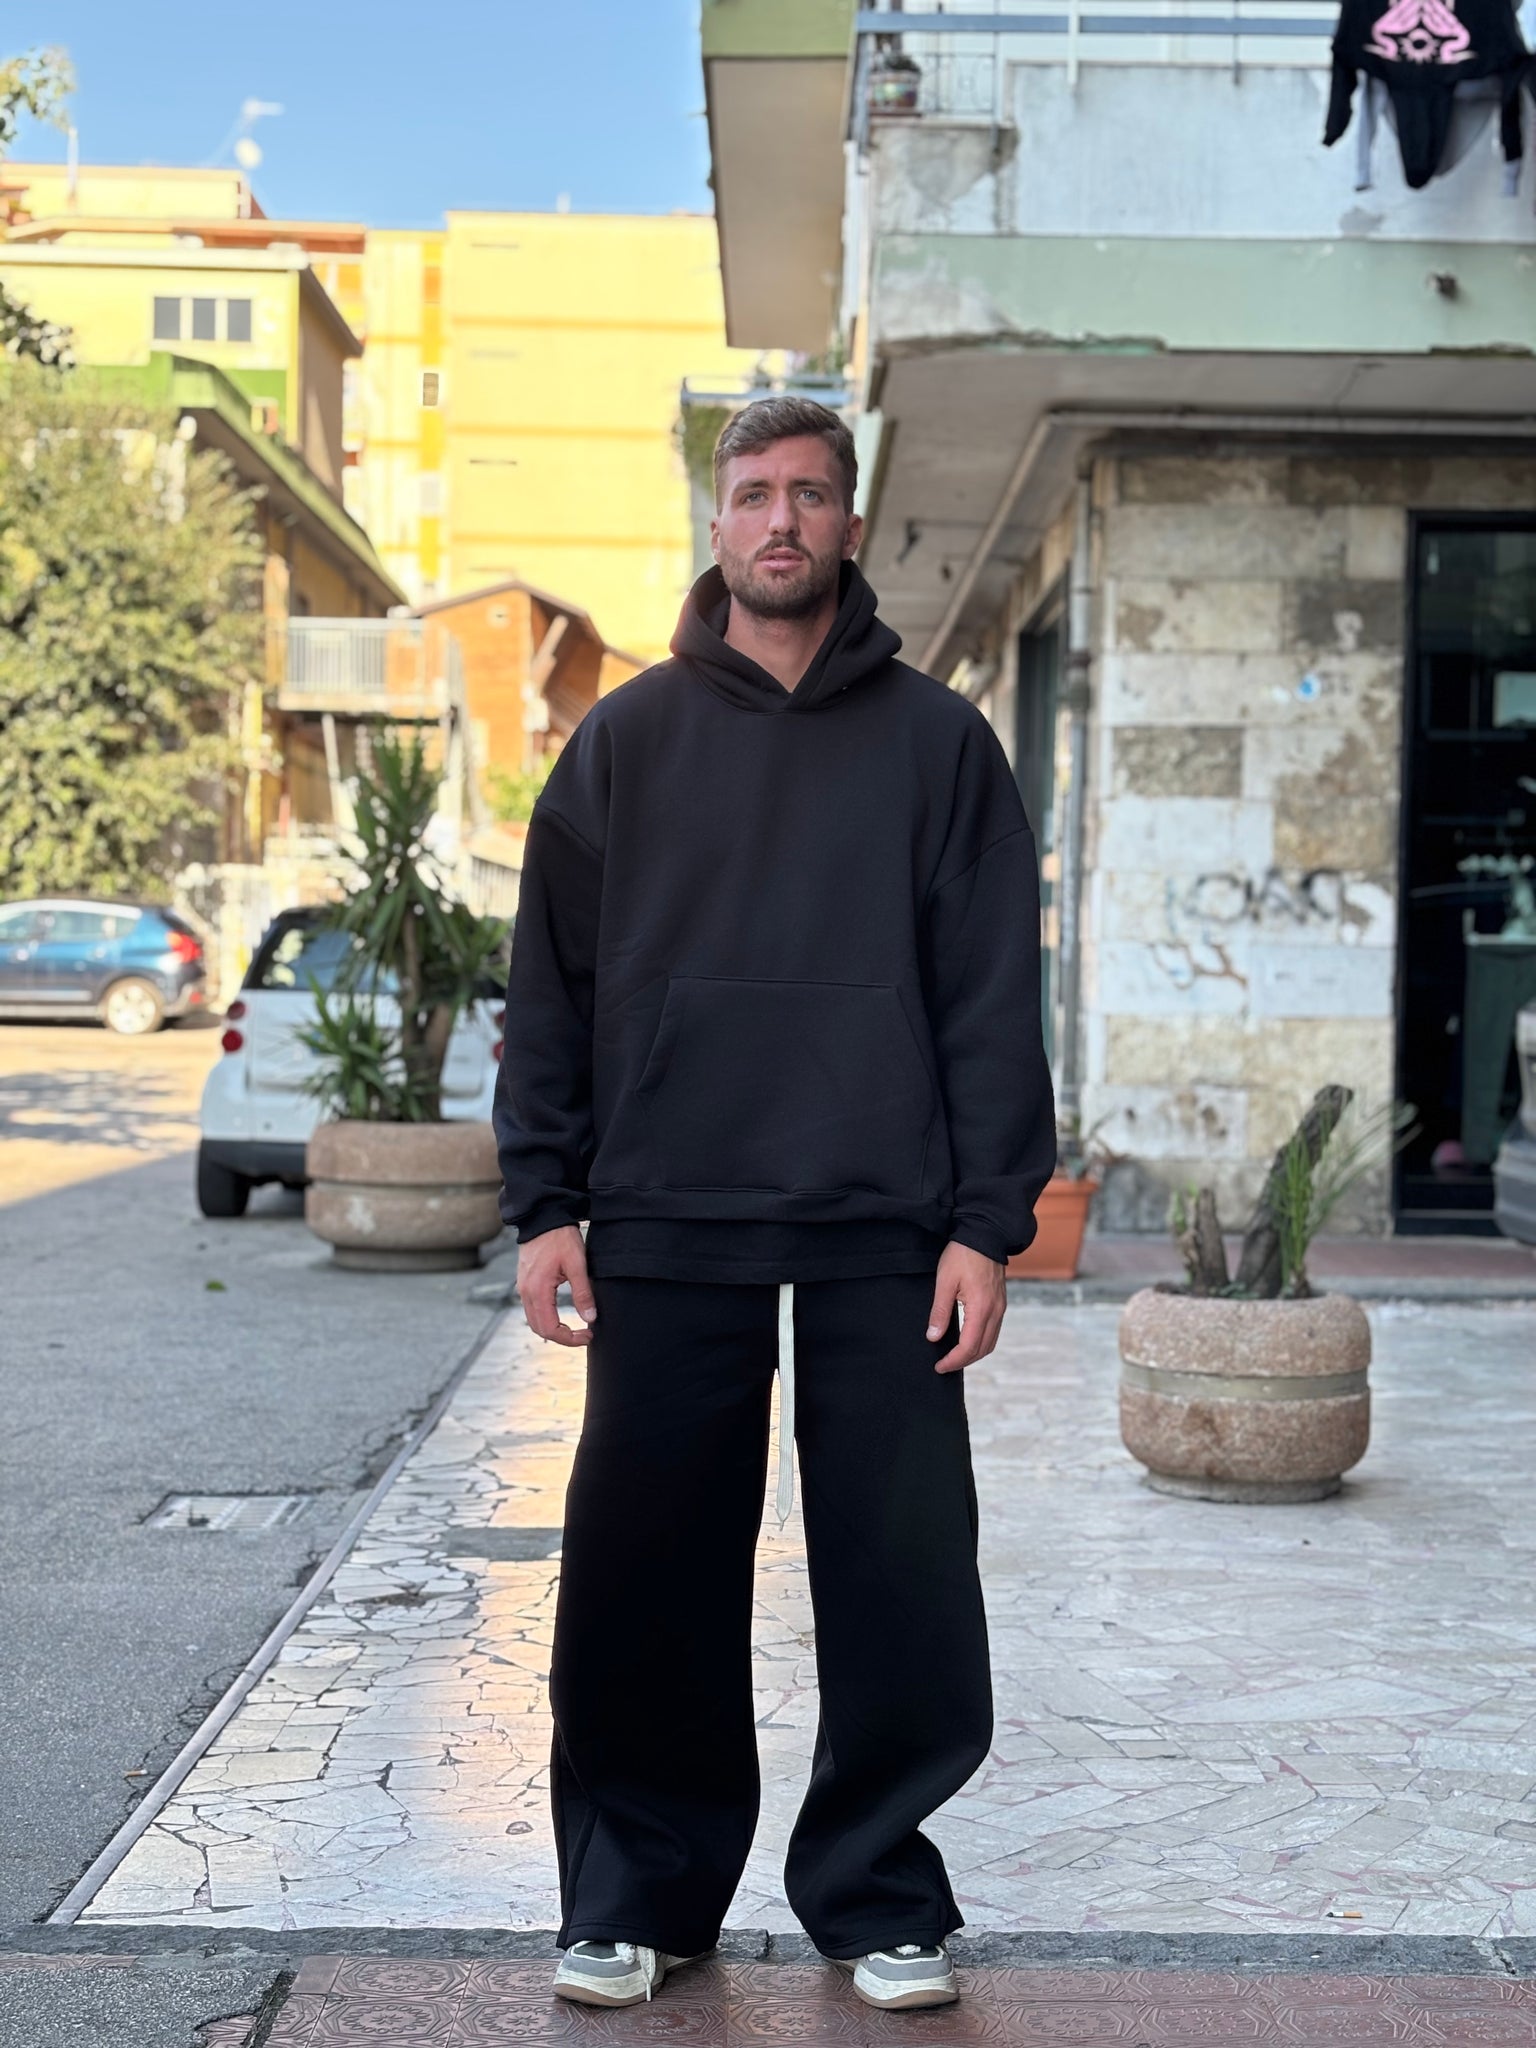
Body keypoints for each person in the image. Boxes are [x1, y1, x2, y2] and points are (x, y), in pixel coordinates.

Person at [493, 396, 1055, 2013]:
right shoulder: (626, 740)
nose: (782, 520)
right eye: (754, 494)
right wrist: (545, 1200)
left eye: (810, 494)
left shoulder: (941, 744)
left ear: (850, 525)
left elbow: (989, 994)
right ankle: (639, 1895)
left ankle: (878, 1894)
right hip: (666, 1209)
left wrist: (986, 1221)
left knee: (900, 1568)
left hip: (889, 1224)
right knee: (646, 1565)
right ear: (717, 522)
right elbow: (552, 985)